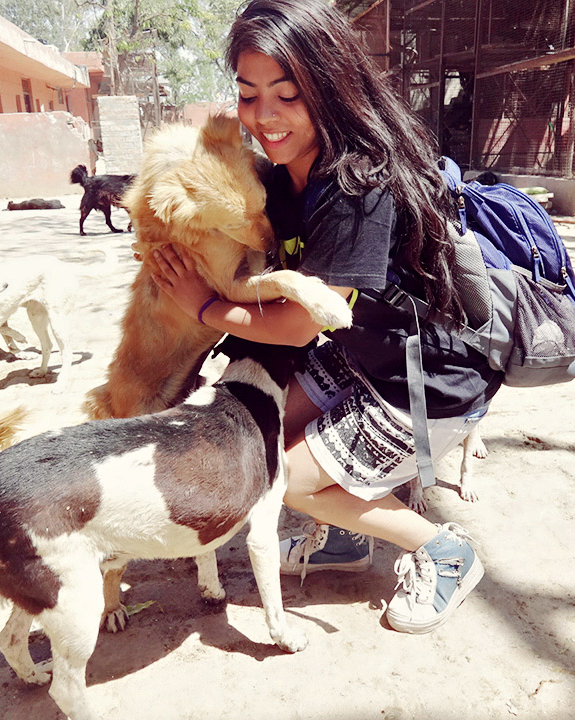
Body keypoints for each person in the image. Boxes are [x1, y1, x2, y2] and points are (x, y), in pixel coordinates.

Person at [151, 0, 502, 634]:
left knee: (284, 478)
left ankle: (445, 551)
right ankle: (348, 536)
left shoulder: (357, 186)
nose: (265, 117)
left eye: (287, 95)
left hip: (425, 382)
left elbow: (300, 323)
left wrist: (202, 307)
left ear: (328, 86)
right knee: (255, 437)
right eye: (249, 95)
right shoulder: (284, 175)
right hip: (362, 354)